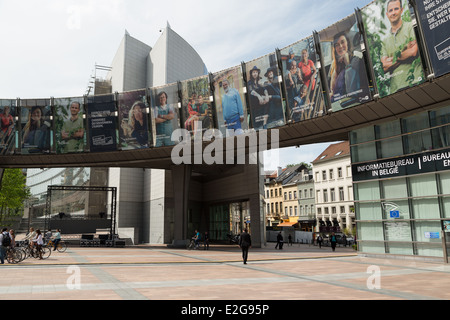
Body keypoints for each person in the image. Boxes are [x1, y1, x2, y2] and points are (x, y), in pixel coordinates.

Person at [380, 0, 423, 95]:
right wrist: (405, 50)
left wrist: (392, 59)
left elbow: (413, 52)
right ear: (387, 14)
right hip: (395, 89)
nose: (393, 12)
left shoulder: (410, 27)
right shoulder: (384, 41)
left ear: (402, 10)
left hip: (415, 81)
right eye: (390, 10)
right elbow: (384, 67)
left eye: (396, 9)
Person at [329, 31, 368, 105]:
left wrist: (347, 64)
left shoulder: (356, 59)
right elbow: (332, 91)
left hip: (349, 103)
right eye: (337, 45)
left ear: (348, 43)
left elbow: (353, 91)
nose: (340, 46)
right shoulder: (335, 65)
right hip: (336, 104)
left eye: (342, 42)